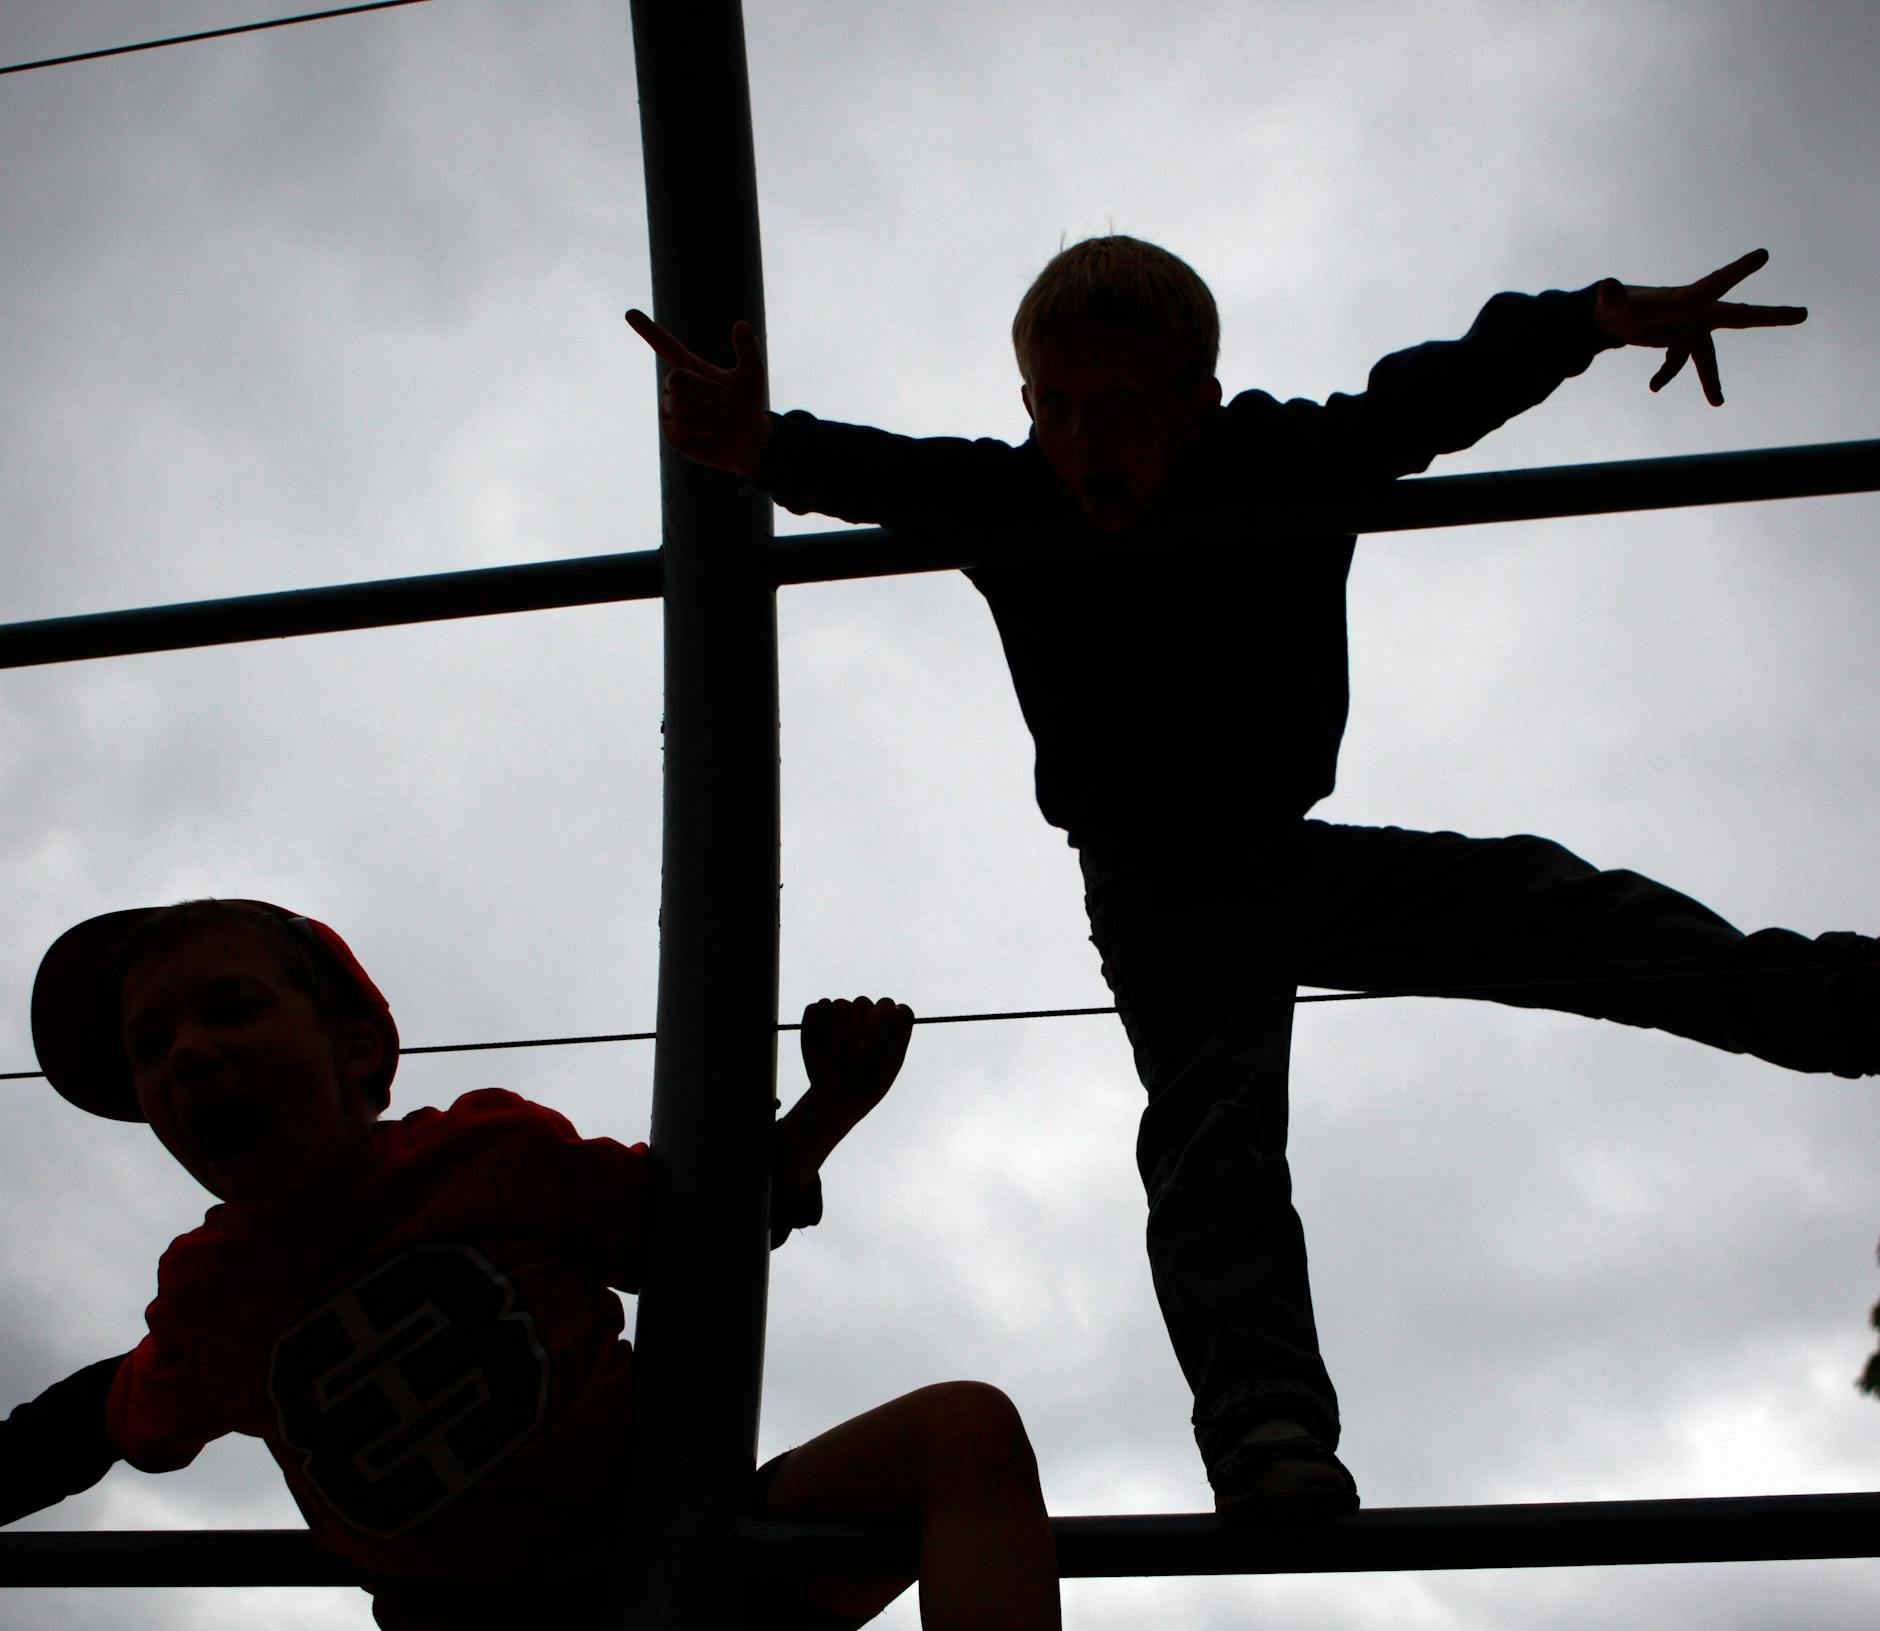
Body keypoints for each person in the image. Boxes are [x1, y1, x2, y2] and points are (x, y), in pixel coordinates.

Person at [628, 237, 1877, 1520]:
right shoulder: (1011, 498)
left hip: (1281, 852)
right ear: (1023, 408)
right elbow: (873, 471)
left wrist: (1599, 316)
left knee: (1555, 906)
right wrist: (758, 441)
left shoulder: (1281, 460)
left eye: (1118, 410)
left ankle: (1835, 1002)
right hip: (1154, 885)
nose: (1080, 443)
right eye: (1052, 408)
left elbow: (1439, 391)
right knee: (1211, 1120)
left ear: (1195, 401)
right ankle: (1265, 1428)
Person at [1, 897, 1080, 1631]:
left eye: (230, 1007)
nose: (187, 1053)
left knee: (962, 1430)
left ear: (359, 1049)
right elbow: (82, 1423)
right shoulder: (205, 1300)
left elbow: (697, 1228)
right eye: (150, 1047)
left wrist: (827, 1109)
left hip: (688, 1561)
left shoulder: (489, 1151)